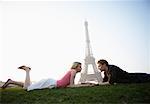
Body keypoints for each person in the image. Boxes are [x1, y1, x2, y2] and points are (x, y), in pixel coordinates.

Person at [1, 62, 94, 91]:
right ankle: (27, 71)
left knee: (29, 86)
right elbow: (71, 86)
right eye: (80, 66)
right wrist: (86, 85)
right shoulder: (73, 71)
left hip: (51, 83)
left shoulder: (72, 72)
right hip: (51, 83)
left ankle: (10, 81)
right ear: (76, 67)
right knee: (27, 87)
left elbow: (69, 85)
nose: (81, 68)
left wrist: (85, 83)